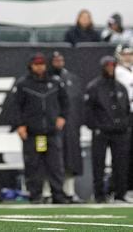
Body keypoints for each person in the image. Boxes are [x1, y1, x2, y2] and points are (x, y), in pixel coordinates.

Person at [10, 53, 68, 204]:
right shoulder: (23, 84)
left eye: (42, 64)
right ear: (31, 66)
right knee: (34, 166)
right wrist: (20, 125)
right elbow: (16, 106)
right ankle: (35, 195)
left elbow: (65, 102)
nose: (40, 67)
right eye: (36, 64)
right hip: (32, 133)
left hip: (51, 131)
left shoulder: (55, 82)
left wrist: (62, 117)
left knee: (55, 166)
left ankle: (58, 195)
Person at [84, 56, 131, 203]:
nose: (110, 68)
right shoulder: (94, 87)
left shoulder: (120, 87)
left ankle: (120, 194)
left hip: (119, 132)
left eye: (113, 65)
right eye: (108, 66)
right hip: (101, 131)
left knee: (121, 164)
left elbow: (127, 110)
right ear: (103, 67)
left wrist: (125, 125)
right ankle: (99, 195)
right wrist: (95, 126)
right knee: (99, 164)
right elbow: (88, 110)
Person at [48, 52, 84, 203]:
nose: (58, 62)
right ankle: (47, 193)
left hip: (70, 126)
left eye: (60, 59)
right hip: (48, 127)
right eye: (55, 60)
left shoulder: (72, 79)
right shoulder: (44, 79)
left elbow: (76, 104)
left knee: (71, 159)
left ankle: (69, 191)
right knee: (48, 160)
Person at [114, 45, 133, 193]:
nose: (128, 57)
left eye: (130, 54)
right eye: (125, 54)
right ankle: (124, 188)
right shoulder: (117, 72)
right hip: (125, 115)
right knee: (124, 153)